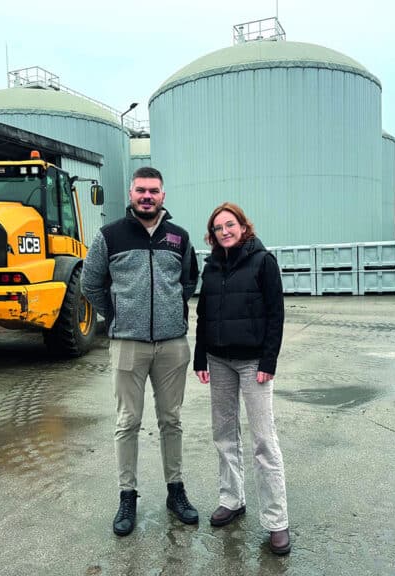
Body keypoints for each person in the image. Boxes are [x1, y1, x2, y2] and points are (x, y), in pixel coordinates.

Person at [81, 166, 200, 537]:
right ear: (131, 193)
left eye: (153, 191)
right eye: (141, 190)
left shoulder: (179, 237)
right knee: (128, 422)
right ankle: (127, 495)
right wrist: (117, 315)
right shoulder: (109, 235)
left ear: (163, 195)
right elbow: (90, 283)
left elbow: (189, 280)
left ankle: (175, 491)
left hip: (172, 344)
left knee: (171, 420)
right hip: (127, 344)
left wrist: (171, 309)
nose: (147, 196)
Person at [193, 202, 291, 555]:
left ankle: (276, 521)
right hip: (218, 360)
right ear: (212, 234)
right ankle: (231, 500)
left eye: (230, 224)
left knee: (264, 440)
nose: (225, 231)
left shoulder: (263, 261)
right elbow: (203, 314)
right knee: (224, 434)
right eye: (218, 228)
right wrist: (200, 356)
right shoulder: (211, 266)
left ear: (243, 226)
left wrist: (269, 360)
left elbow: (276, 313)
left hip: (253, 364)